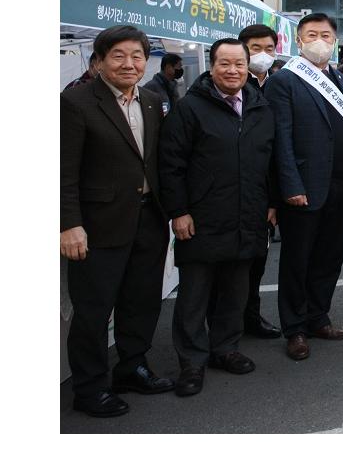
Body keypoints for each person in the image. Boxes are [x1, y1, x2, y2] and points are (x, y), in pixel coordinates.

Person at [61, 25, 174, 417]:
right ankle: (90, 388)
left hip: (148, 218)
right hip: (97, 224)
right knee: (93, 311)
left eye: (137, 56)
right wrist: (68, 224)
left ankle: (132, 367)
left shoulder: (152, 100)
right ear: (100, 60)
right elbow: (63, 171)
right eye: (119, 56)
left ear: (146, 60)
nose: (129, 64)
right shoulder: (76, 102)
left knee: (141, 302)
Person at [158, 39, 274, 396]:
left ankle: (226, 348)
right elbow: (171, 165)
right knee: (195, 294)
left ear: (248, 67)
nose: (233, 70)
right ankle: (192, 361)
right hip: (202, 218)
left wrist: (270, 204)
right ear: (212, 67)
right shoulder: (190, 108)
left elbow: (268, 161)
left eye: (239, 64)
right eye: (225, 63)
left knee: (235, 291)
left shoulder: (259, 107)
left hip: (247, 216)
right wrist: (179, 211)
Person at [264, 12, 343, 361]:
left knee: (329, 256)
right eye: (312, 34)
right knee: (297, 260)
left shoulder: (338, 79)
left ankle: (319, 316)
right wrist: (290, 185)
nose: (320, 41)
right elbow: (281, 140)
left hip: (338, 184)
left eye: (327, 35)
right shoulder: (284, 81)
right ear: (298, 41)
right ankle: (295, 328)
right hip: (303, 186)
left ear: (334, 42)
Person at [235, 23, 282, 340]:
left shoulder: (278, 86)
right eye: (255, 48)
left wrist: (274, 199)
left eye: (268, 48)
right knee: (231, 268)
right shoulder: (232, 86)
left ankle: (250, 317)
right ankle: (228, 325)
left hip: (265, 195)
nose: (262, 55)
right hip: (233, 193)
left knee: (257, 263)